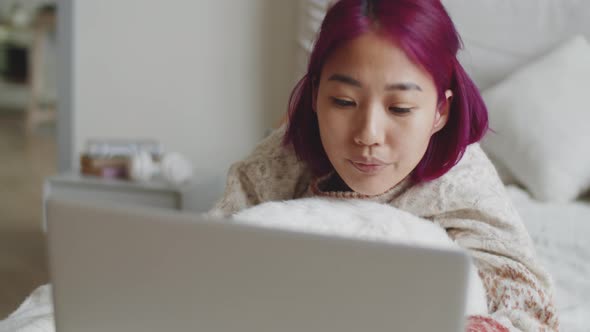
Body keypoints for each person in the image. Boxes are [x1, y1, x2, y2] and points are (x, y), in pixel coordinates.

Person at [208, 0, 558, 330]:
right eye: (344, 102)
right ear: (315, 96)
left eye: (400, 109)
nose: (368, 135)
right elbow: (204, 265)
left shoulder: (462, 181)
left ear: (440, 111)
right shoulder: (278, 163)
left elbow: (532, 313)